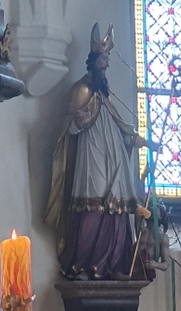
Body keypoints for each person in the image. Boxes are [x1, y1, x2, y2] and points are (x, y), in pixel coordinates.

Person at [46, 24, 154, 280]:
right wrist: (77, 123)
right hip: (91, 154)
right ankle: (83, 265)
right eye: (103, 58)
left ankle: (114, 265)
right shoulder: (81, 89)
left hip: (112, 156)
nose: (106, 63)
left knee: (115, 206)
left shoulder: (104, 92)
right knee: (92, 204)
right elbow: (68, 129)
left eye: (107, 58)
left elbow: (117, 123)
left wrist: (136, 140)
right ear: (93, 60)